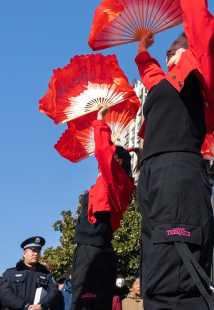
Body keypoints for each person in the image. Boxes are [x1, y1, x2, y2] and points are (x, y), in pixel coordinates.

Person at [134, 0, 214, 309]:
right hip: (153, 175)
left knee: (177, 273)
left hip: (180, 171)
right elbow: (152, 76)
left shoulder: (205, 71)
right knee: (156, 269)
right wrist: (144, 50)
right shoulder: (165, 82)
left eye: (175, 46)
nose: (169, 51)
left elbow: (199, 23)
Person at [71, 104, 137, 310]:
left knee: (85, 303)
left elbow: (102, 152)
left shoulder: (115, 179)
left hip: (93, 251)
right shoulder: (118, 184)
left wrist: (100, 122)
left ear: (116, 161)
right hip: (97, 249)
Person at [0, 237, 59, 310]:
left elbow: (54, 293)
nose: (35, 254)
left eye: (38, 251)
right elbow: (5, 294)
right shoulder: (10, 273)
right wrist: (26, 306)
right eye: (33, 251)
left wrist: (41, 305)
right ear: (24, 254)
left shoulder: (47, 274)